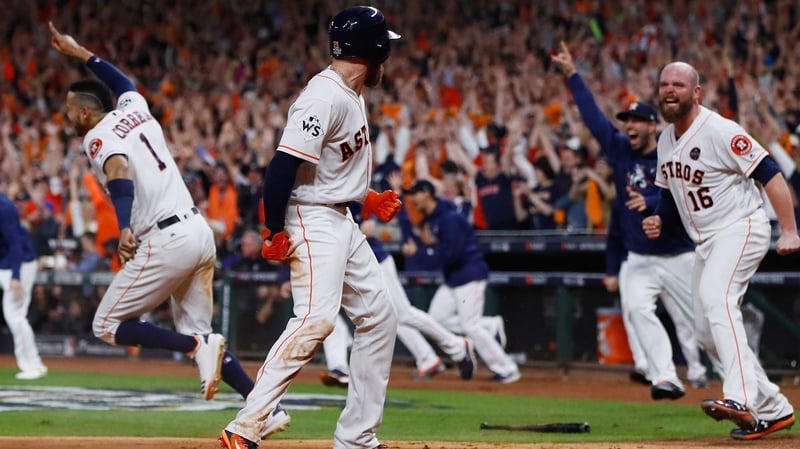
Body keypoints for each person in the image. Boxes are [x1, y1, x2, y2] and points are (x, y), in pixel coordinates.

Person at [46, 22, 288, 431]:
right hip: (197, 231)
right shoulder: (135, 109)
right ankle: (268, 407)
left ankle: (196, 344)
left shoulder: (97, 135)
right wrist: (78, 51)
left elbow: (119, 172)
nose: (67, 116)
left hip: (165, 239)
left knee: (106, 325)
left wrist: (124, 227)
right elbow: (122, 80)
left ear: (86, 113)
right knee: (203, 337)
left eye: (70, 110)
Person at [220, 7, 402, 449]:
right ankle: (246, 426)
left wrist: (366, 195)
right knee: (316, 319)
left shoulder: (353, 93)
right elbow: (284, 164)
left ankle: (357, 436)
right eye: (386, 46)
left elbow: (332, 169)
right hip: (311, 217)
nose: (389, 54)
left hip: (339, 215)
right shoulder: (324, 96)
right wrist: (272, 229)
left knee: (380, 315)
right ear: (373, 51)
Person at [642, 61, 799, 440]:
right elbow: (669, 193)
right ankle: (775, 409)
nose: (670, 90)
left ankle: (740, 399)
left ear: (696, 92)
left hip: (742, 227)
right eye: (664, 83)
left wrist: (790, 229)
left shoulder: (721, 130)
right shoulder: (665, 140)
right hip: (707, 241)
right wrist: (661, 219)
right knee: (704, 331)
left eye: (679, 84)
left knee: (717, 301)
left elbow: (771, 174)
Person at [551, 41, 710, 399]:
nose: (631, 126)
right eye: (628, 121)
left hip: (680, 255)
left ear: (654, 126)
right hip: (639, 257)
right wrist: (573, 75)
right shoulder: (621, 150)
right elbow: (593, 119)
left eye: (638, 121)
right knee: (637, 310)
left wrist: (653, 199)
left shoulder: (674, 148)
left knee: (705, 326)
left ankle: (746, 385)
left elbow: (687, 194)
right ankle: (665, 377)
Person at [406, 180, 521, 383]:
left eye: (415, 193)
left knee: (470, 326)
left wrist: (421, 253)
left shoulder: (448, 218)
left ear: (426, 193)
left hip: (469, 274)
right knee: (436, 319)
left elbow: (450, 254)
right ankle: (490, 326)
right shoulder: (435, 217)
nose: (413, 199)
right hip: (454, 277)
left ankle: (507, 368)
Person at [350, 200, 476, 381]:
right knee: (389, 316)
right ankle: (428, 358)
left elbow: (365, 214)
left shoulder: (342, 194)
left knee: (404, 314)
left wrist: (366, 221)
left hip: (375, 260)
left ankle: (456, 346)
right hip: (356, 266)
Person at [0, 177, 48, 380]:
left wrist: (16, 276)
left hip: (20, 263)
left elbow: (16, 244)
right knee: (14, 314)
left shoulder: (4, 207)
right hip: (4, 263)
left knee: (14, 313)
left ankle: (32, 364)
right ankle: (33, 363)